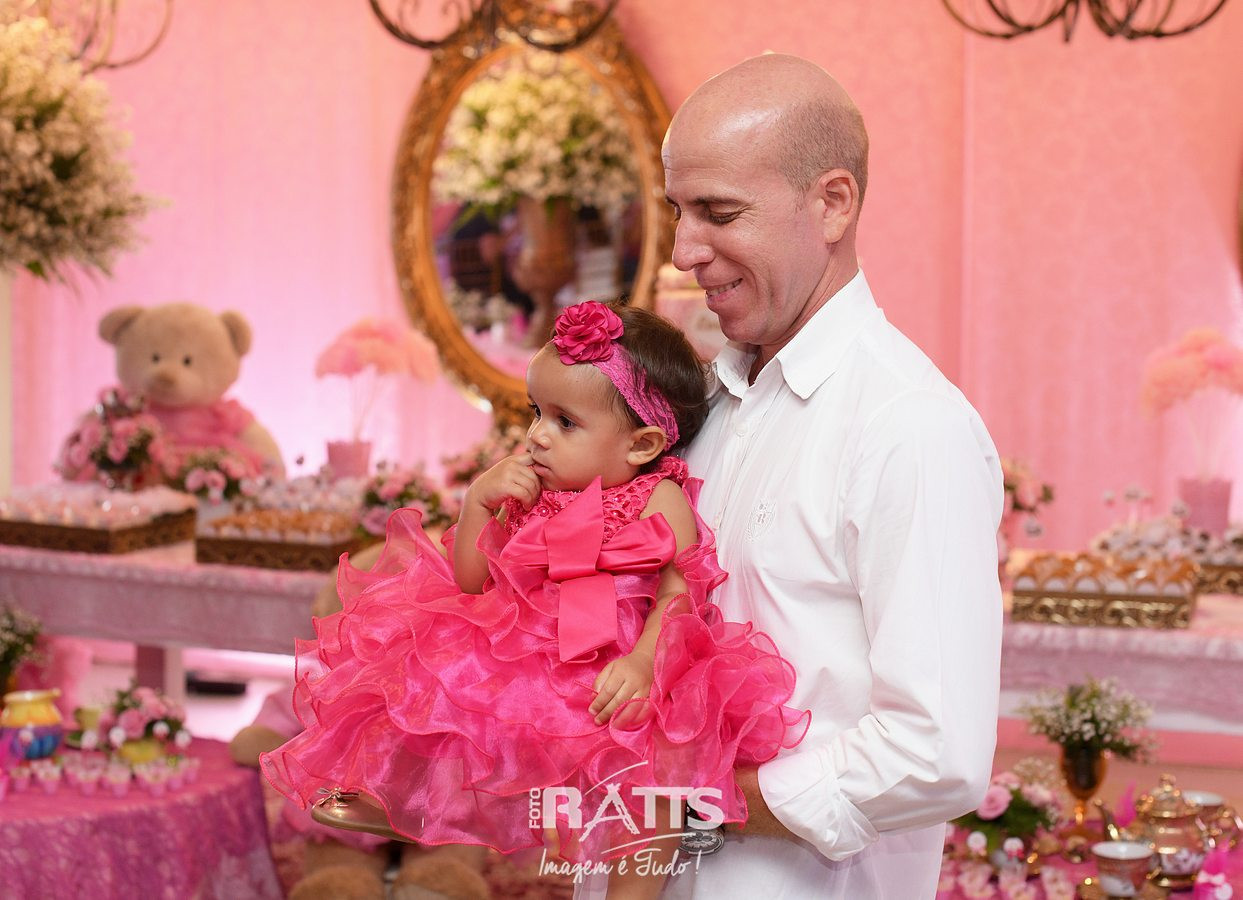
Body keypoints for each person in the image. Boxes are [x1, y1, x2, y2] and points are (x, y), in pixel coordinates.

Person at [261, 300, 808, 900]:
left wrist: (644, 661)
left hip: (616, 662)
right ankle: (406, 795)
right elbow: (472, 581)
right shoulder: (532, 491)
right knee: (438, 678)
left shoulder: (659, 497)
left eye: (565, 422)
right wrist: (479, 502)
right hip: (532, 654)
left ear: (642, 444)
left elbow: (681, 590)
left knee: (648, 772)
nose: (537, 435)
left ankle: (633, 890)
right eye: (536, 412)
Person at [629, 53, 1002, 899]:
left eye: (719, 213)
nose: (684, 251)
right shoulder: (701, 404)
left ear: (832, 202)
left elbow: (932, 752)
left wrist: (685, 804)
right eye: (678, 212)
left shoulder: (909, 426)